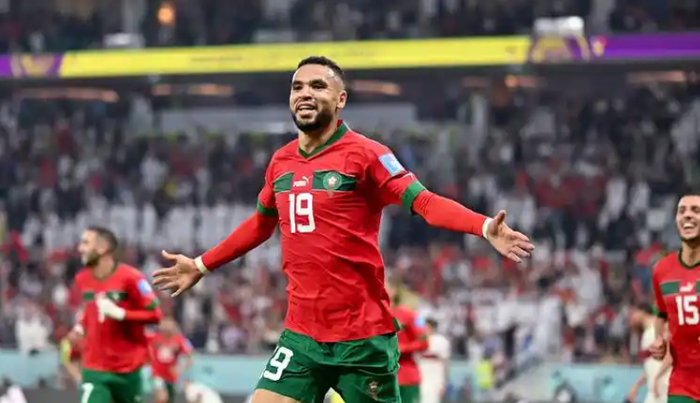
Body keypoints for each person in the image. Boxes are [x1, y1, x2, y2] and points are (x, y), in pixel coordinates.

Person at [153, 56, 534, 403]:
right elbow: (259, 225)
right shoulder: (281, 162)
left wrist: (484, 226)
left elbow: (425, 203)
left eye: (318, 86)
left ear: (340, 100)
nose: (305, 93)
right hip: (302, 335)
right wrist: (201, 265)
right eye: (298, 87)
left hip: (361, 339)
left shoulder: (367, 155)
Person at [72, 226, 163, 403]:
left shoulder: (132, 278)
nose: (80, 248)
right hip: (94, 368)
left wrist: (121, 314)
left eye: (85, 243)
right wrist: (80, 327)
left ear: (102, 248)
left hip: (128, 369)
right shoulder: (82, 279)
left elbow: (155, 315)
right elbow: (90, 310)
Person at [650, 192, 700, 402]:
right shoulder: (662, 270)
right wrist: (658, 341)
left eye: (695, 210)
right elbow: (661, 313)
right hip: (682, 384)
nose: (687, 215)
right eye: (682, 211)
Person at [626, 303, 670, 403]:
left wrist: (658, 377)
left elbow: (669, 356)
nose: (631, 318)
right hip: (654, 387)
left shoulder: (658, 330)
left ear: (642, 312)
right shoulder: (647, 333)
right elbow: (650, 365)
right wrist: (637, 386)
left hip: (663, 385)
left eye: (633, 313)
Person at [391, 289, 428, 403]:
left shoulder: (411, 315)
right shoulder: (372, 315)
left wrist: (402, 348)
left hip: (405, 377)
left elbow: (424, 342)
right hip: (378, 378)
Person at [148, 317, 194, 403]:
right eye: (164, 323)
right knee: (162, 397)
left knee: (169, 399)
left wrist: (179, 368)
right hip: (157, 374)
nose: (166, 326)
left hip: (171, 376)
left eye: (169, 324)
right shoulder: (153, 337)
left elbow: (190, 356)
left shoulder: (179, 340)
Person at [420, 318, 451, 403]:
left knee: (433, 399)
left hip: (435, 373)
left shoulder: (441, 340)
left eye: (426, 326)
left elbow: (445, 362)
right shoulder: (420, 339)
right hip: (422, 371)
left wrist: (444, 381)